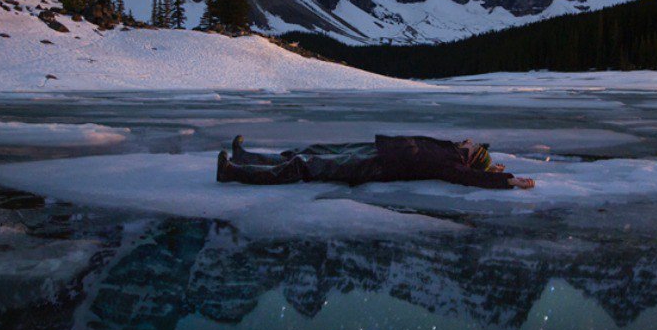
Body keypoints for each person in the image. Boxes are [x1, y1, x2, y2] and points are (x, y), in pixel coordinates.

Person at [217, 135, 535, 190]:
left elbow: (471, 178)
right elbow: (479, 169)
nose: (468, 140)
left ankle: (234, 173)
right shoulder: (450, 150)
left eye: (473, 145)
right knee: (314, 149)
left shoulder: (451, 165)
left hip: (376, 166)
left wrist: (504, 180)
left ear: (471, 155)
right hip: (377, 149)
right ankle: (246, 157)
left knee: (306, 165)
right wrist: (490, 167)